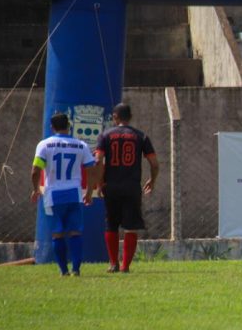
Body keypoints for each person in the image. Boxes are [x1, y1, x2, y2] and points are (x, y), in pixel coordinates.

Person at [94, 103, 159, 273]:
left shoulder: (105, 136)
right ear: (130, 117)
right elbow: (154, 162)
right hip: (131, 187)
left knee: (111, 224)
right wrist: (152, 180)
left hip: (111, 186)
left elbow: (98, 160)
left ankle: (113, 263)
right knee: (131, 226)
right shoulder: (141, 136)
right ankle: (125, 266)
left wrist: (100, 181)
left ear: (115, 117)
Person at [31, 112, 98, 276]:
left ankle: (63, 271)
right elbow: (91, 170)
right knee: (75, 231)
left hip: (53, 195)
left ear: (52, 127)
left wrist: (35, 189)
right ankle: (76, 269)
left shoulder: (44, 145)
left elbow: (35, 171)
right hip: (74, 194)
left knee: (57, 233)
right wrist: (89, 192)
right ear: (69, 126)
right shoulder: (81, 145)